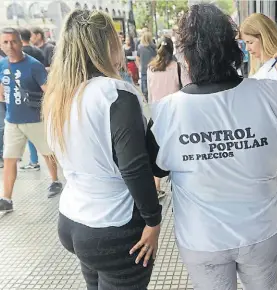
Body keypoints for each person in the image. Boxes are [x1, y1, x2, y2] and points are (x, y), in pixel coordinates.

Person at [150, 4, 277, 289]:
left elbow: (154, 167)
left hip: (203, 237)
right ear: (234, 47)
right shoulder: (271, 94)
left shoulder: (166, 113)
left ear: (186, 55)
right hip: (261, 230)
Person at [42, 10, 161, 289]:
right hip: (114, 226)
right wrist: (153, 220)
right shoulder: (114, 94)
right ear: (106, 44)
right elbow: (134, 167)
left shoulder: (58, 94)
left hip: (73, 219)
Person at [240, 12, 277, 267]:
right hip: (271, 147)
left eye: (251, 43)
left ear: (263, 37)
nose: (248, 49)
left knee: (276, 202)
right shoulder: (268, 66)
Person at [0, 28, 63, 212]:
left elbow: (48, 90)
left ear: (20, 43)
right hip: (12, 121)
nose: (9, 46)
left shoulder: (33, 65)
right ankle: (7, 198)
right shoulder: (3, 64)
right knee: (9, 158)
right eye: (5, 42)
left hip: (35, 119)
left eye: (13, 41)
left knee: (47, 153)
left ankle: (55, 180)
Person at [147, 36, 190, 199]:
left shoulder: (150, 68)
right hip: (175, 117)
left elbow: (150, 95)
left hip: (157, 117)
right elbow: (187, 91)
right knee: (177, 153)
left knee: (158, 153)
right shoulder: (178, 68)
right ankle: (178, 187)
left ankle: (156, 187)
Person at [19, 27, 45, 172]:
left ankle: (34, 160)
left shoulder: (20, 55)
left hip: (26, 98)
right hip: (40, 94)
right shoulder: (38, 51)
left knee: (30, 132)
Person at [136, 32, 156, 101]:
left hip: (144, 69)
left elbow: (137, 58)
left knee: (144, 85)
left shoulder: (140, 48)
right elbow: (155, 58)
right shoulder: (153, 48)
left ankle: (145, 98)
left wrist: (139, 66)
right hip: (152, 69)